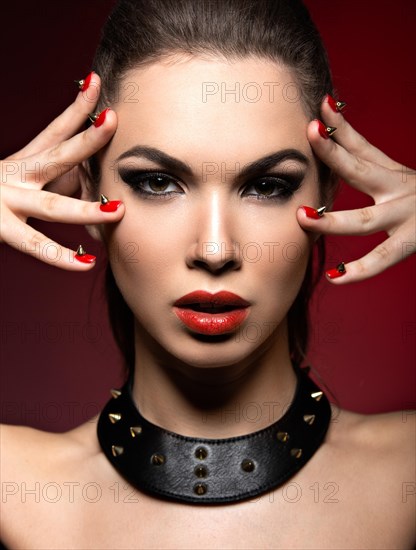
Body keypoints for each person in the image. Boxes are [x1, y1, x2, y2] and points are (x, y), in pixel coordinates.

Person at [0, 0, 415, 548]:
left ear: (328, 195)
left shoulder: (405, 476)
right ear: (85, 188)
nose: (215, 250)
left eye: (267, 186)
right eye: (157, 182)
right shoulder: (14, 489)